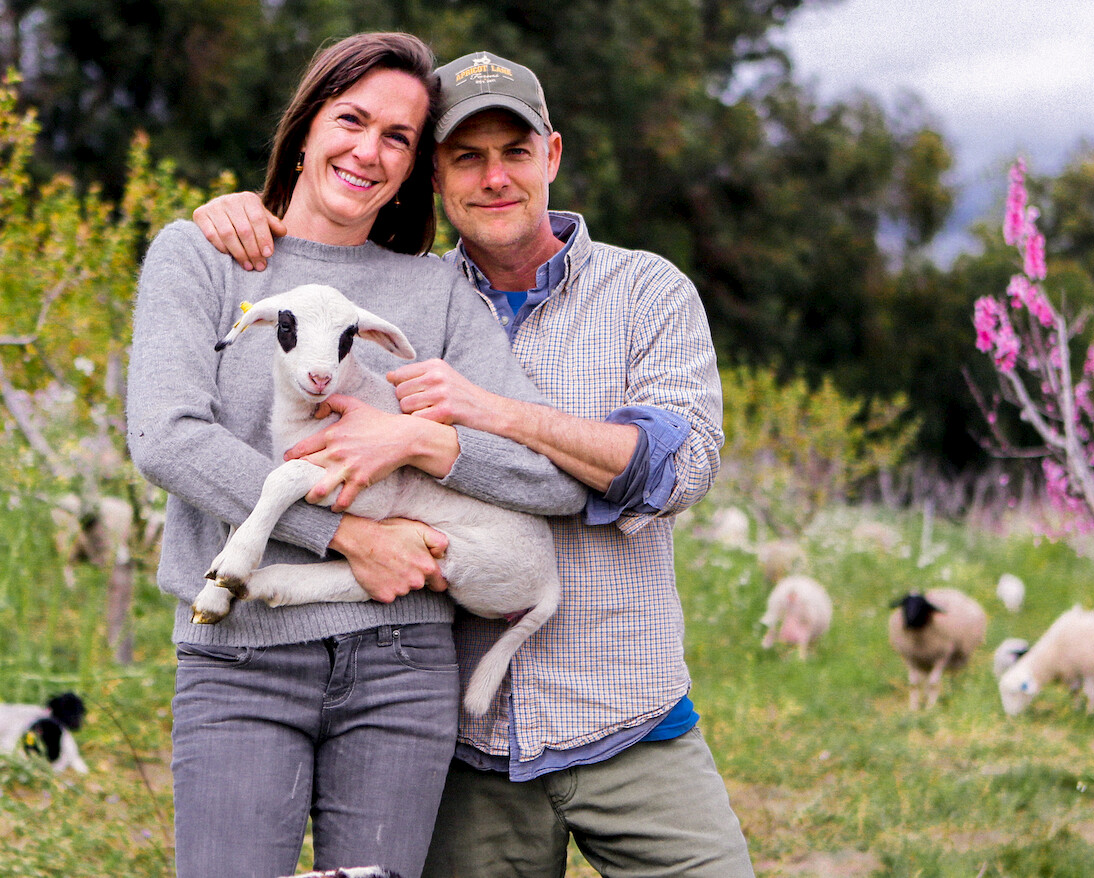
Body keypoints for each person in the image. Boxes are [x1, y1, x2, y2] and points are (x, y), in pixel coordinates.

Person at [192, 50, 753, 877]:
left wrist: (482, 415)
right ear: (434, 176)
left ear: (551, 155)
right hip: (461, 747)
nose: (494, 178)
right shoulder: (406, 299)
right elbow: (310, 255)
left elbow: (679, 469)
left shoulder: (646, 292)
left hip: (630, 720)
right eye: (466, 157)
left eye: (515, 152)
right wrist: (242, 212)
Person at [126, 34, 588, 878]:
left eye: (398, 137)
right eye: (351, 120)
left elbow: (552, 474)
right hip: (240, 655)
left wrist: (423, 441)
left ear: (413, 168)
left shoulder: (436, 293)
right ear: (306, 127)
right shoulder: (203, 257)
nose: (368, 151)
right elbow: (167, 436)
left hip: (403, 667)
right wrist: (348, 537)